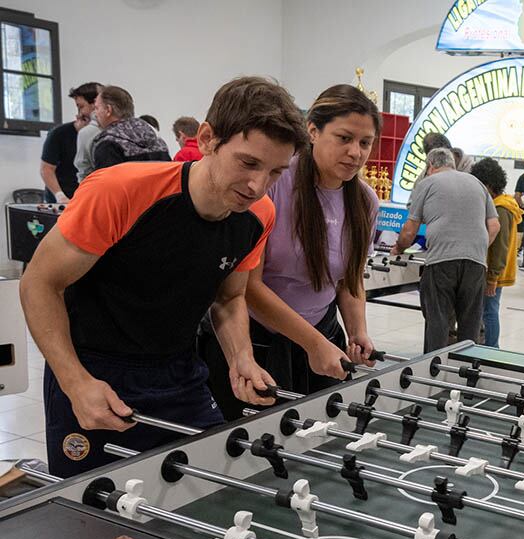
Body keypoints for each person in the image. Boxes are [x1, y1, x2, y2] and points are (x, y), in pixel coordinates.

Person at [18, 76, 310, 478]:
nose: (258, 186)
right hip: (96, 371)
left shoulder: (259, 215)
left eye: (276, 172)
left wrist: (240, 356)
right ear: (207, 138)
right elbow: (39, 283)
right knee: (93, 518)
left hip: (180, 372)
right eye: (248, 163)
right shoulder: (119, 191)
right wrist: (75, 382)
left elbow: (229, 298)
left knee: (208, 492)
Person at [202, 84, 381, 420]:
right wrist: (313, 343)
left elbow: (350, 277)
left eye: (365, 143)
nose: (355, 152)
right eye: (344, 138)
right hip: (257, 341)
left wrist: (357, 331)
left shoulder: (365, 201)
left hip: (321, 337)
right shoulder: (274, 185)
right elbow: (248, 289)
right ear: (313, 130)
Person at [394, 148, 499, 352]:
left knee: (438, 323)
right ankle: (468, 374)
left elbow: (410, 229)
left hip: (441, 263)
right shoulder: (476, 183)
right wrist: (474, 246)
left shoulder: (427, 183)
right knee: (470, 326)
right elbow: (494, 226)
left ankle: (432, 373)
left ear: (430, 166)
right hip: (476, 263)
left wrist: (398, 247)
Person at [470, 157, 522, 348]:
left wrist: (492, 277)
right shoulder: (503, 203)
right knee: (488, 310)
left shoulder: (500, 208)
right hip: (495, 269)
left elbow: (501, 246)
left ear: (489, 185)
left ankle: (492, 348)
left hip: (494, 270)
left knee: (490, 311)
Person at [40, 82, 100, 203]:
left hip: (90, 199)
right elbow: (46, 169)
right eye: (78, 107)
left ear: (95, 105)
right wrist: (60, 195)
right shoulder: (59, 133)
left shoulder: (108, 134)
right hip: (66, 199)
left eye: (81, 107)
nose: (79, 113)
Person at [91, 85, 170, 170]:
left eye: (96, 108)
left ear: (108, 110)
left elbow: (107, 182)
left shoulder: (108, 144)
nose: (95, 114)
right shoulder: (157, 139)